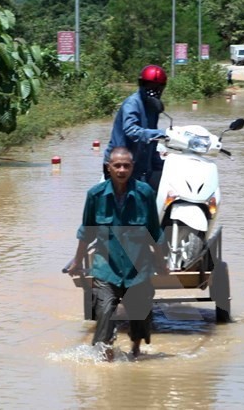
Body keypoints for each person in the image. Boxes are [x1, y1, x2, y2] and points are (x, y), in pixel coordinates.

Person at [67, 147, 168, 361]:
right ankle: (105, 355)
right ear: (108, 167)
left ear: (132, 168)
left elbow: (153, 231)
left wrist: (161, 261)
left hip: (138, 267)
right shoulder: (95, 195)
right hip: (107, 266)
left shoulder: (145, 193)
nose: (122, 170)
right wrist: (77, 261)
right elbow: (87, 231)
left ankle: (136, 349)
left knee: (140, 315)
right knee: (104, 310)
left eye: (126, 166)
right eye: (117, 165)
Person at [103, 65, 167, 191]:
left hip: (140, 164)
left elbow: (151, 143)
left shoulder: (152, 107)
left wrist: (161, 166)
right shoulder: (132, 103)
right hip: (120, 163)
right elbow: (131, 130)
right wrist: (164, 134)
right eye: (149, 86)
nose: (153, 90)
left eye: (157, 87)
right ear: (142, 84)